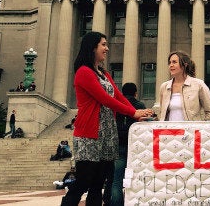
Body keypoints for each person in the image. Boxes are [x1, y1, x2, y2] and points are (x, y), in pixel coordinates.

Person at [61, 31, 152, 206]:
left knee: (98, 185)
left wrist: (137, 113)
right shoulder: (84, 72)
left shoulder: (104, 74)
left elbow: (118, 96)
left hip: (108, 135)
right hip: (89, 135)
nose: (106, 48)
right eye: (103, 44)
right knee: (83, 182)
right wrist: (133, 113)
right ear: (92, 47)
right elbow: (105, 99)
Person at [105, 82, 146, 205]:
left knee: (116, 180)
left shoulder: (116, 106)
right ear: (135, 93)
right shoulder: (139, 105)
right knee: (137, 178)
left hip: (118, 144)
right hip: (135, 147)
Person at [156, 50, 210, 121]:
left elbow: (209, 112)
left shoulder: (199, 85)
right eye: (170, 62)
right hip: (169, 131)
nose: (171, 65)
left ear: (185, 65)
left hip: (190, 131)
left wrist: (200, 129)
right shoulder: (164, 87)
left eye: (174, 62)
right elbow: (161, 112)